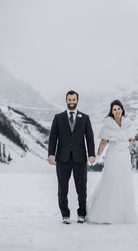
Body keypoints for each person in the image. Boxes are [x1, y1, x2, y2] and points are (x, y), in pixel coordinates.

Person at [86, 100, 138, 224]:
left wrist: (125, 144)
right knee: (110, 180)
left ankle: (122, 215)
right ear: (111, 111)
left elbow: (131, 140)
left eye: (118, 108)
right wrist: (97, 156)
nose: (117, 111)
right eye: (114, 109)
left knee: (124, 182)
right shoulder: (108, 125)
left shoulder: (128, 123)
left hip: (124, 155)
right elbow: (103, 142)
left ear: (122, 109)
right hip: (113, 154)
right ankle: (105, 214)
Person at [48, 90, 96, 224]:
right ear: (66, 100)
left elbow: (89, 138)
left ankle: (82, 214)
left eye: (74, 99)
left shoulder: (85, 118)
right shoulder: (58, 118)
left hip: (80, 158)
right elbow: (53, 138)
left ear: (77, 100)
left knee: (82, 188)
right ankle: (65, 215)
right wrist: (51, 154)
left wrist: (91, 154)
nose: (71, 102)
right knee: (62, 188)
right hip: (62, 159)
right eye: (69, 99)